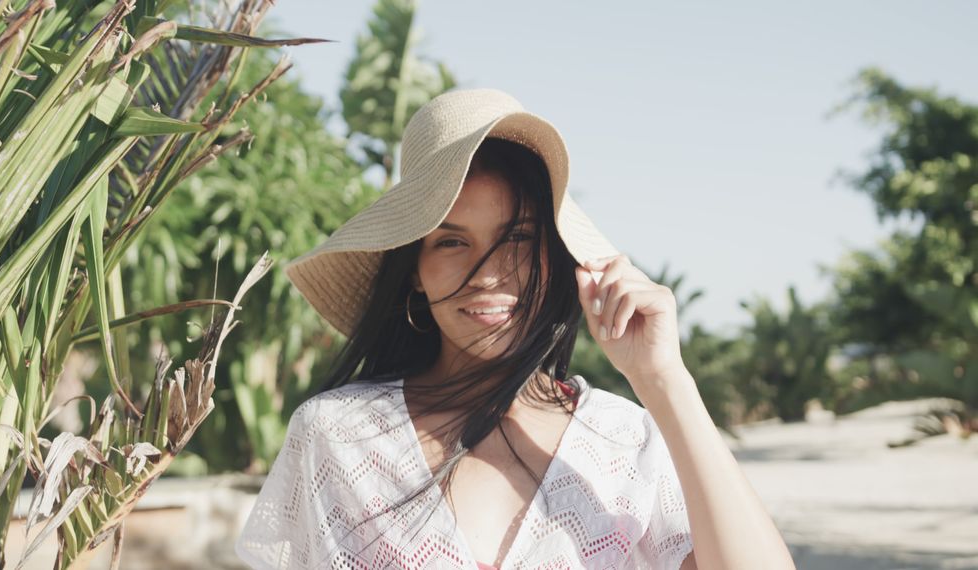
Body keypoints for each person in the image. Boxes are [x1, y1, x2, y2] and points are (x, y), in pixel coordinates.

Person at [235, 88, 795, 569]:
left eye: (519, 239)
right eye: (452, 242)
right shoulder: (338, 436)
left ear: (557, 260)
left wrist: (665, 379)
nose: (490, 275)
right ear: (413, 273)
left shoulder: (624, 440)